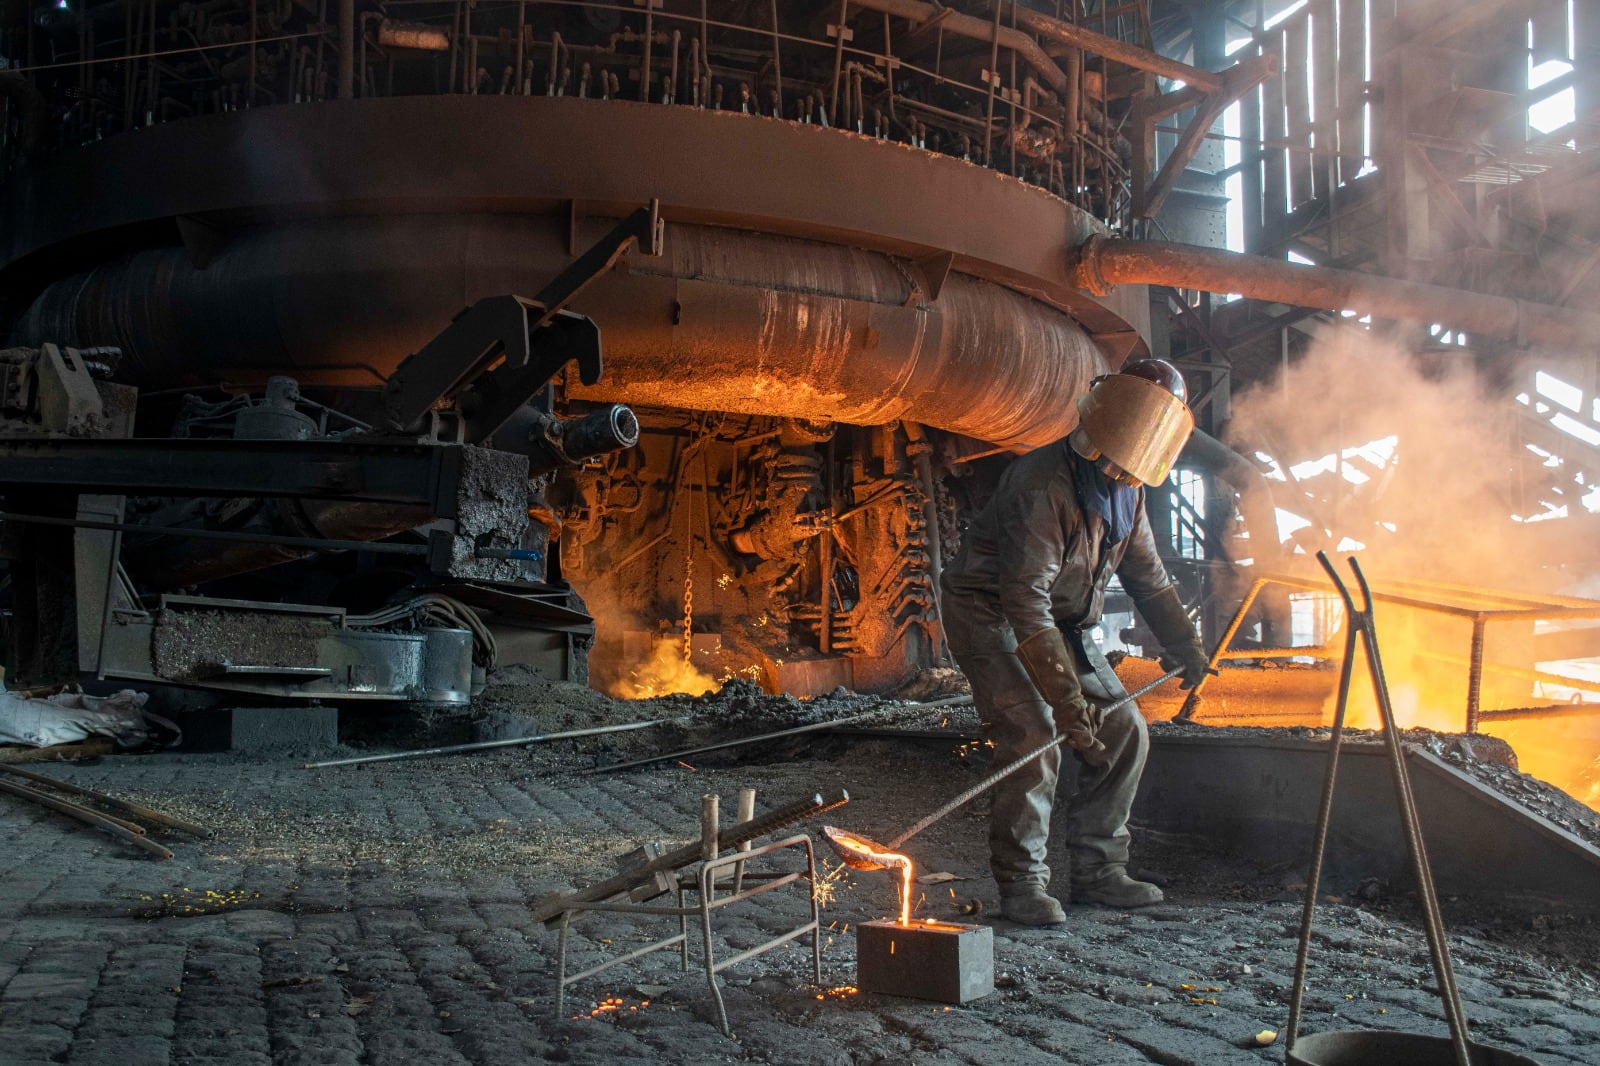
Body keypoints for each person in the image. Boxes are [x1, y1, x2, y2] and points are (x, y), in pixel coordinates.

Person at [939, 359, 1210, 925]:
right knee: (1033, 734)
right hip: (993, 617)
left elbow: (1149, 579)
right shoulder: (1042, 485)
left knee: (1124, 728)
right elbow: (1025, 603)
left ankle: (1099, 871)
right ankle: (1022, 884)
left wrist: (1186, 642)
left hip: (1063, 622)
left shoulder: (1126, 493)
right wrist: (1066, 705)